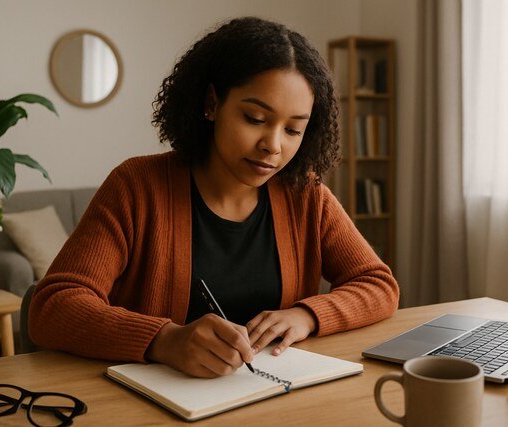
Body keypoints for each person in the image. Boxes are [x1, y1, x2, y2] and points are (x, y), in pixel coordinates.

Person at [29, 16, 399, 379]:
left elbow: (378, 285)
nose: (273, 145)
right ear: (212, 103)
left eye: (293, 129)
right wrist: (164, 340)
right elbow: (52, 307)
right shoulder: (137, 186)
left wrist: (306, 315)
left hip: (273, 399)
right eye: (254, 118)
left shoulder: (305, 195)